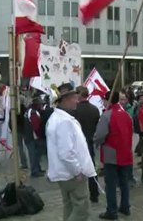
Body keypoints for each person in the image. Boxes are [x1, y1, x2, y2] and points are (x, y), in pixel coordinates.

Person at [46, 83, 96, 221]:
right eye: (74, 97)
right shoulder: (63, 122)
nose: (77, 100)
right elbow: (66, 153)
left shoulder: (57, 118)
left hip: (65, 173)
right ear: (64, 100)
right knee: (82, 209)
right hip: (71, 174)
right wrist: (78, 171)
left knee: (69, 206)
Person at [95, 91, 133, 220]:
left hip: (111, 154)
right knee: (124, 182)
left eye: (104, 100)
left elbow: (100, 135)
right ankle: (125, 206)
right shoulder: (126, 115)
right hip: (125, 153)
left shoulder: (107, 115)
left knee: (110, 184)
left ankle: (111, 211)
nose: (103, 103)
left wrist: (96, 143)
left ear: (108, 100)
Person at [74, 86, 100, 203]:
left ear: (79, 95)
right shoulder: (95, 109)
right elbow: (96, 127)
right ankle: (94, 193)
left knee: (77, 169)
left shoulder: (74, 110)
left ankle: (78, 194)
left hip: (77, 143)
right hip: (89, 142)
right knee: (91, 169)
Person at [24, 97, 44, 177]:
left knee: (34, 154)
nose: (42, 105)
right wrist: (40, 136)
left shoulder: (28, 111)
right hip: (32, 137)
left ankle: (37, 168)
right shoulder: (33, 113)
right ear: (37, 105)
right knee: (34, 155)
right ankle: (35, 171)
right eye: (41, 104)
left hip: (28, 136)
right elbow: (36, 127)